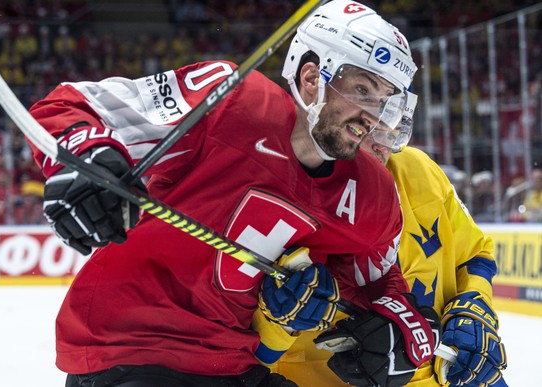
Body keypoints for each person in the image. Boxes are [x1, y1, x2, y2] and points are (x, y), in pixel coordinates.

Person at [26, 1, 438, 386]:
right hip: (129, 347)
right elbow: (74, 106)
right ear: (312, 78)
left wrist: (395, 325)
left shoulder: (372, 194)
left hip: (234, 365)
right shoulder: (231, 102)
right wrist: (87, 158)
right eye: (363, 90)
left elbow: (379, 283)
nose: (373, 115)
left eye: (385, 100)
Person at [257, 103, 508, 385]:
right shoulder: (278, 194)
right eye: (368, 131)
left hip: (456, 376)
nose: (381, 146)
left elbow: (476, 256)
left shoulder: (419, 170)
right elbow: (246, 356)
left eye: (391, 132)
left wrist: (474, 304)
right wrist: (280, 324)